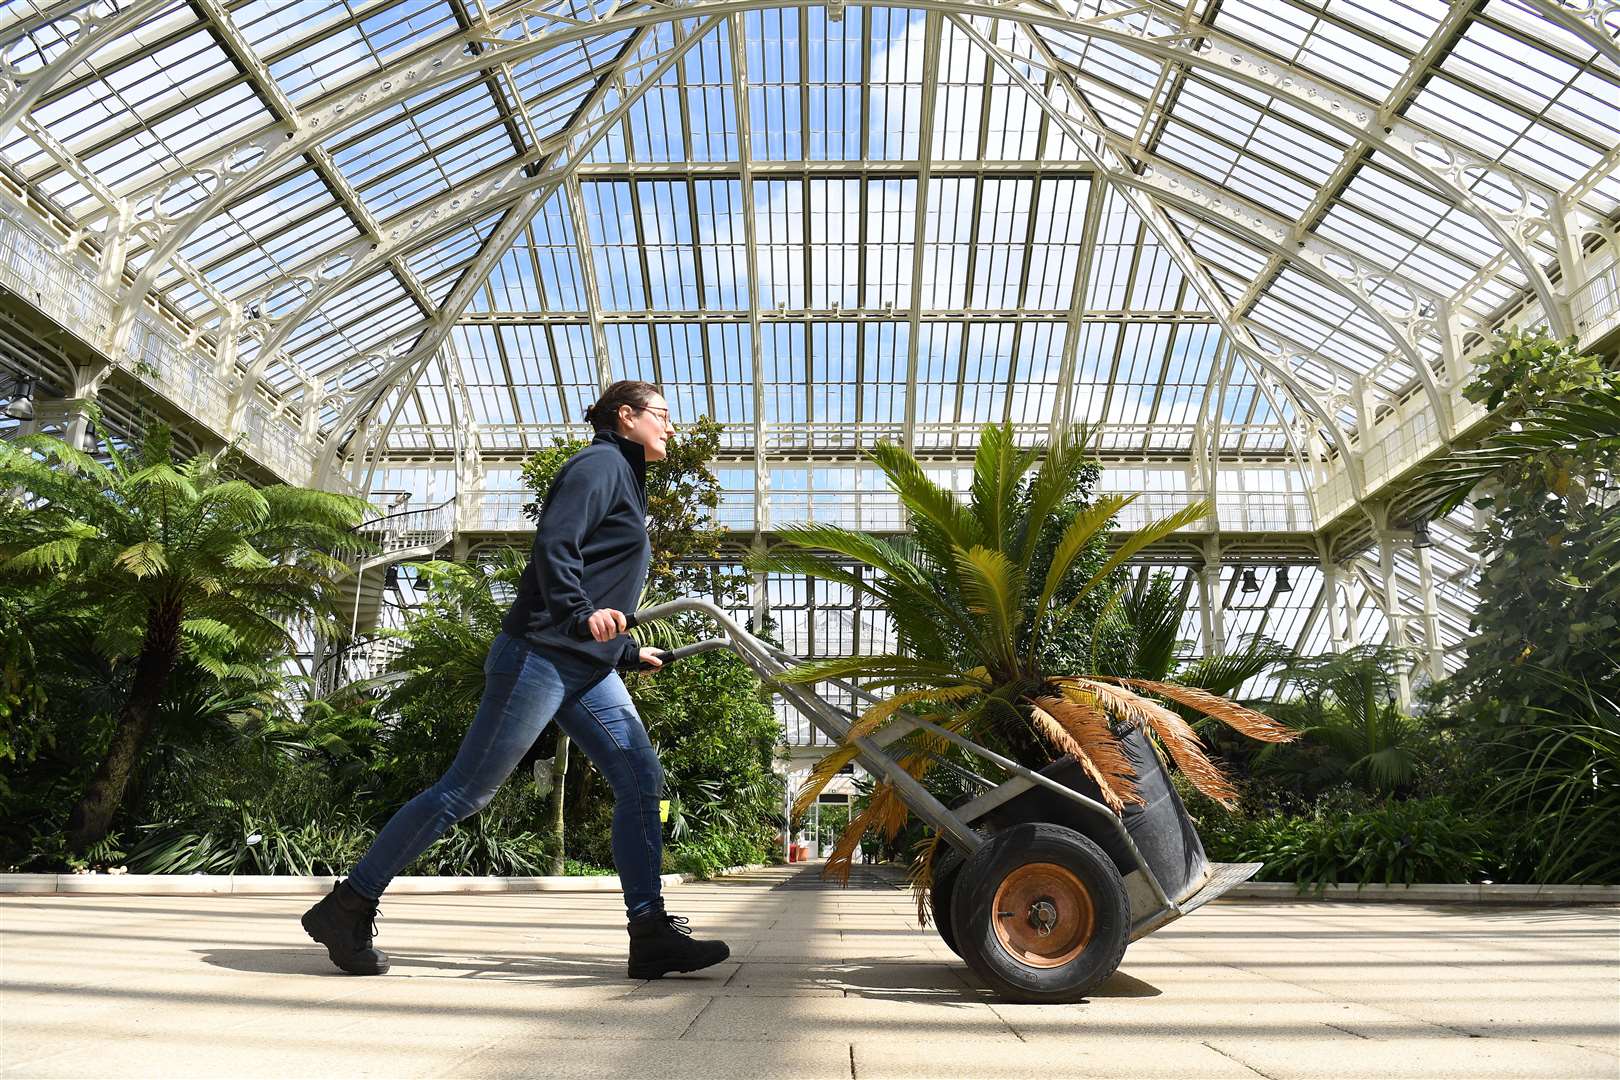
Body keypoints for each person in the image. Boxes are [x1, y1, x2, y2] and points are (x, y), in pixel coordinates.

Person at [301, 380, 729, 981]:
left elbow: (599, 577)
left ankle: (650, 930)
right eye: (661, 414)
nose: (670, 427)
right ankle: (347, 904)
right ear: (626, 417)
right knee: (464, 792)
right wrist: (581, 615)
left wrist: (627, 650)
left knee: (640, 780)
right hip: (541, 655)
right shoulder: (600, 462)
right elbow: (556, 545)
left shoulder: (625, 476)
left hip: (586, 663)